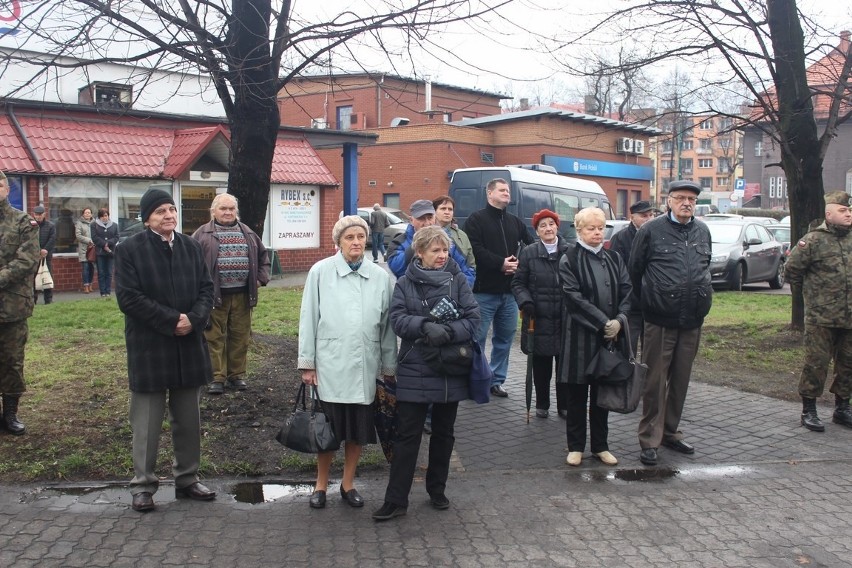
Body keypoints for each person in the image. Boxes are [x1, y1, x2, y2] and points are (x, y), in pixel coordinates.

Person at [115, 188, 217, 512]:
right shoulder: (129, 249)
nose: (169, 216)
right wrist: (172, 320)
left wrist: (194, 319)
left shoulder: (191, 246)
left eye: (171, 209)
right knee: (146, 421)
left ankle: (187, 479)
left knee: (188, 419)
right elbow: (129, 298)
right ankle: (143, 485)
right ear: (147, 219)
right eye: (160, 211)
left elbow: (206, 288)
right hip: (151, 347)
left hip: (189, 345)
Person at [373, 226, 481, 521]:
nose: (441, 255)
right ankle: (396, 500)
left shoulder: (458, 279)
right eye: (435, 250)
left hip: (450, 367)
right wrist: (423, 327)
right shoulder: (405, 283)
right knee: (407, 436)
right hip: (415, 366)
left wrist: (447, 331)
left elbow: (474, 319)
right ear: (419, 253)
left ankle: (437, 490)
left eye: (444, 250)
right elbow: (397, 320)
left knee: (444, 433)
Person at [298, 215, 397, 510]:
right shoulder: (321, 272)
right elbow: (308, 319)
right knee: (327, 432)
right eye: (349, 237)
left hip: (364, 367)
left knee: (357, 431)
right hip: (330, 366)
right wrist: (307, 363)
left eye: (360, 237)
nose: (356, 242)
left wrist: (389, 367)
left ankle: (348, 483)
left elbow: (387, 327)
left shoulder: (380, 277)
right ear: (338, 242)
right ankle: (320, 485)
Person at [629, 180, 713, 466]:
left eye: (692, 199)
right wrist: (651, 303)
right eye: (681, 198)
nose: (687, 203)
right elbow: (635, 271)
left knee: (680, 379)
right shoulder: (651, 230)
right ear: (669, 200)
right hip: (660, 319)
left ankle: (671, 432)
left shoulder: (702, 230)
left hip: (692, 319)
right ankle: (650, 438)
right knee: (654, 381)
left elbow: (704, 267)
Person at [558, 207, 632, 466]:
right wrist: (603, 322)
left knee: (602, 395)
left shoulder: (614, 258)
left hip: (608, 340)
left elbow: (627, 290)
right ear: (579, 230)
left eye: (600, 228)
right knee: (577, 395)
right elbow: (573, 298)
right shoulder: (570, 258)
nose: (597, 233)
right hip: (579, 337)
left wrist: (620, 320)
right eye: (591, 228)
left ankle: (601, 446)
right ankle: (575, 446)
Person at [785, 191, 852, 432]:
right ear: (829, 214)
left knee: (848, 363)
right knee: (816, 364)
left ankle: (843, 408)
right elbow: (791, 271)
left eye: (850, 210)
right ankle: (809, 410)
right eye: (843, 211)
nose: (849, 214)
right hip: (821, 318)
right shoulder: (813, 240)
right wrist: (811, 298)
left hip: (849, 317)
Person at [192, 193, 271, 395]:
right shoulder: (201, 235)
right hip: (213, 296)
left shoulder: (248, 233)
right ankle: (216, 377)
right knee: (213, 337)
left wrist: (260, 279)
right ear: (213, 211)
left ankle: (236, 375)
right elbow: (190, 263)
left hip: (243, 295)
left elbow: (264, 259)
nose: (227, 212)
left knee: (240, 336)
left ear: (236, 211)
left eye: (231, 209)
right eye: (223, 208)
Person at [464, 178, 534, 397]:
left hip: (509, 294)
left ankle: (496, 380)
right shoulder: (476, 220)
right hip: (484, 292)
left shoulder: (515, 222)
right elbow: (474, 250)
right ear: (489, 193)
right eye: (502, 190)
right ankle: (475, 378)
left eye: (508, 191)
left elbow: (531, 245)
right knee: (478, 338)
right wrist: (500, 263)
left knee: (504, 338)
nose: (507, 194)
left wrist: (518, 264)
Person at [511, 209, 569, 419]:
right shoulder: (529, 253)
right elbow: (518, 283)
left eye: (551, 224)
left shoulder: (569, 251)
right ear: (536, 231)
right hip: (538, 318)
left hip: (564, 320)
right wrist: (525, 301)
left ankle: (565, 405)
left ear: (557, 227)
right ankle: (542, 404)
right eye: (542, 225)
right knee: (541, 367)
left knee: (564, 367)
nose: (548, 229)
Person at [0, 170, 40, 435]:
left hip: (11, 306)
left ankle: (10, 413)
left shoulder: (22, 221)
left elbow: (27, 259)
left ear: (5, 188)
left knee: (12, 361)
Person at [387, 199, 475, 287]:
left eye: (430, 218)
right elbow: (397, 269)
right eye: (421, 218)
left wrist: (457, 292)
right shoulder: (399, 242)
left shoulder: (446, 241)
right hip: (414, 298)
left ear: (435, 218)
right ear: (411, 220)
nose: (427, 223)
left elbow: (468, 271)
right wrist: (418, 244)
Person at [608, 200, 655, 353]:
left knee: (652, 350)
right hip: (631, 304)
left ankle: (647, 377)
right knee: (629, 348)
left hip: (653, 303)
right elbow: (615, 272)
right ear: (632, 217)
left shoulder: (658, 237)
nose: (648, 219)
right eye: (643, 216)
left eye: (651, 215)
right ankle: (629, 376)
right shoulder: (620, 239)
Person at [432, 195, 476, 272]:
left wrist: (467, 282)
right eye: (443, 208)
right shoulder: (427, 234)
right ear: (434, 211)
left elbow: (471, 264)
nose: (447, 212)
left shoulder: (462, 235)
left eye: (450, 209)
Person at [91, 208, 119, 297]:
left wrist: (108, 243)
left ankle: (108, 291)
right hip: (100, 252)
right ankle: (103, 292)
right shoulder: (94, 225)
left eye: (106, 215)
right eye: (102, 216)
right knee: (101, 272)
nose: (104, 218)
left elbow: (117, 237)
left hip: (111, 252)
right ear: (99, 217)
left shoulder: (114, 225)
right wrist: (104, 244)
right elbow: (94, 237)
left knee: (109, 272)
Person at [31, 205, 55, 305]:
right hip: (33, 256)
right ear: (33, 215)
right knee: (33, 279)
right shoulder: (30, 225)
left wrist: (45, 249)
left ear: (44, 214)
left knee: (47, 277)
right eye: (36, 214)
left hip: (46, 256)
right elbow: (29, 239)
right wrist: (37, 250)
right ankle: (33, 300)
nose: (38, 216)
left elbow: (52, 238)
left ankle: (48, 300)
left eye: (40, 214)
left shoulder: (50, 225)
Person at [75, 207, 95, 294]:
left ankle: (90, 285)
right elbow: (78, 236)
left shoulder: (94, 223)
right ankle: (85, 286)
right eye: (86, 213)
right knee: (85, 268)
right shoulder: (79, 223)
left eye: (89, 213)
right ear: (83, 214)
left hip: (93, 249)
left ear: (91, 214)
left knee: (92, 268)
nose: (87, 214)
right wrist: (89, 240)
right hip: (84, 249)